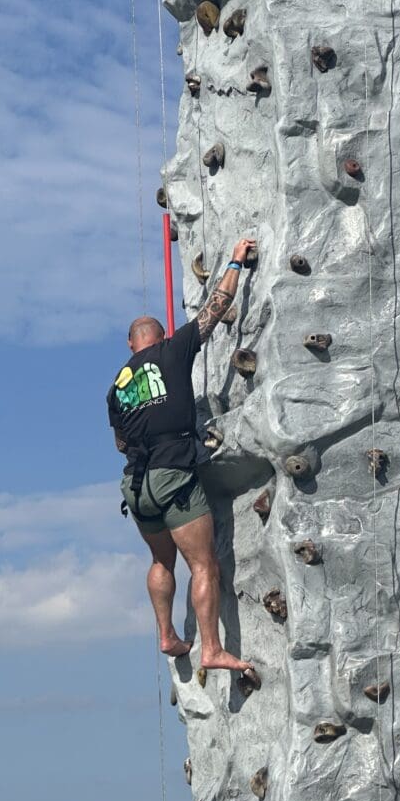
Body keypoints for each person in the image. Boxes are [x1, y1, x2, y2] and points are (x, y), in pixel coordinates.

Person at [109, 236, 256, 674]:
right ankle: (211, 649)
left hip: (136, 484)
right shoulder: (172, 351)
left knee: (161, 561)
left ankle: (167, 634)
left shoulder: (117, 387)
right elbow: (216, 306)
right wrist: (235, 260)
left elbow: (120, 443)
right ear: (160, 338)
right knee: (203, 564)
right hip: (173, 474)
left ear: (131, 344)